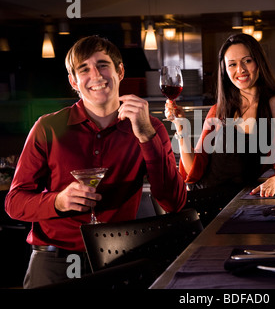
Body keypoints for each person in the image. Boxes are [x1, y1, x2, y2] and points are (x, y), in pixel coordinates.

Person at [5, 35, 186, 288]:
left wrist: (146, 136)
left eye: (103, 65)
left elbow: (174, 202)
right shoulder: (48, 127)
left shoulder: (149, 126)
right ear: (73, 82)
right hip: (53, 261)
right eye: (84, 69)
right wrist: (57, 201)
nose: (97, 76)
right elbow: (14, 203)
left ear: (119, 71)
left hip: (118, 259)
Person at [165, 33, 275, 199]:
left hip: (243, 201)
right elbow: (193, 171)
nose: (240, 70)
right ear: (225, 71)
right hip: (205, 199)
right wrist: (180, 125)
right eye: (232, 65)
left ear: (259, 62)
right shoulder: (218, 110)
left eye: (247, 61)